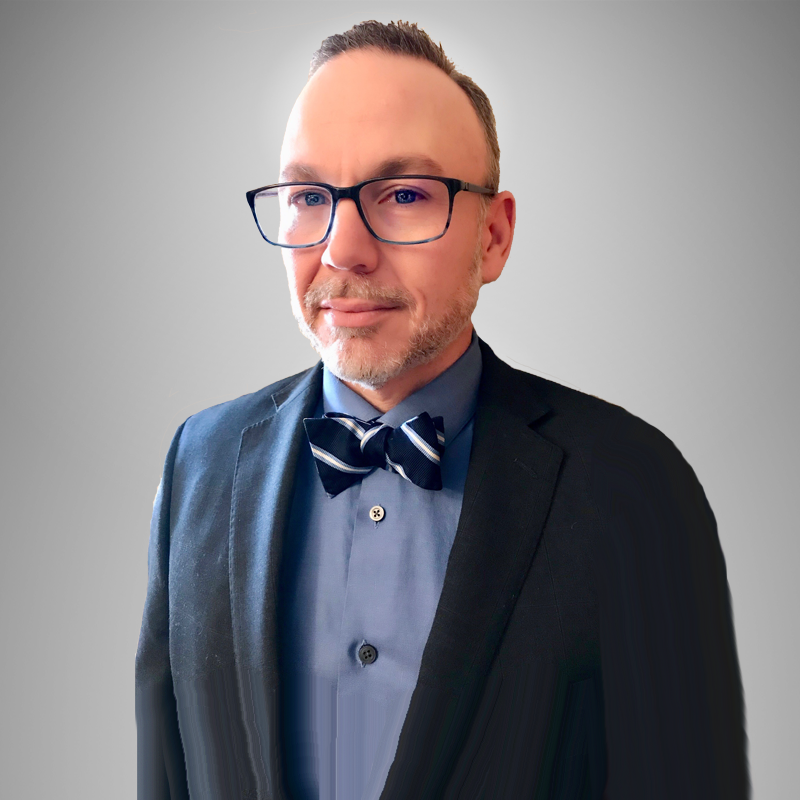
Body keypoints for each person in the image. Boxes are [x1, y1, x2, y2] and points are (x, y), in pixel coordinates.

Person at [135, 20, 749, 800]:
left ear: (493, 237)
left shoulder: (633, 485)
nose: (343, 251)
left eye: (403, 196)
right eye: (308, 197)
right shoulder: (198, 462)